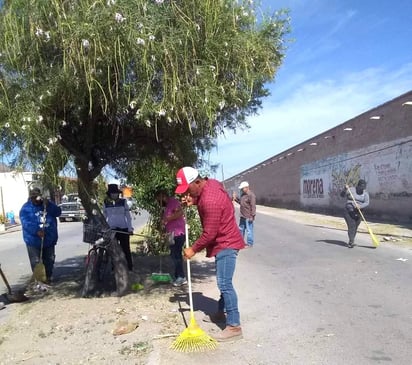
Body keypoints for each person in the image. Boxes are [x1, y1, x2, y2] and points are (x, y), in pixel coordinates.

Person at [175, 166, 245, 342]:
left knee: (224, 284)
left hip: (226, 243)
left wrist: (192, 249)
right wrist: (194, 201)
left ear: (197, 182)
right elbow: (211, 201)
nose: (187, 193)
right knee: (224, 282)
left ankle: (234, 326)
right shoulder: (211, 184)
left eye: (188, 189)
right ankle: (220, 313)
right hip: (225, 240)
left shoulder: (209, 201)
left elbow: (209, 234)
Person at [19, 187, 62, 284]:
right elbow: (26, 223)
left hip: (49, 239)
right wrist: (36, 231)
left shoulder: (47, 205)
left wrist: (49, 205)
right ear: (31, 198)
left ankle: (48, 277)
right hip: (33, 241)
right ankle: (39, 281)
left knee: (49, 260)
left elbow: (58, 212)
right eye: (33, 198)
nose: (36, 200)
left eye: (37, 197)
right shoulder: (26, 208)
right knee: (36, 261)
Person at [156, 190, 187, 287]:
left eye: (159, 198)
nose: (158, 201)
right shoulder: (167, 206)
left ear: (163, 196)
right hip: (171, 234)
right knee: (174, 255)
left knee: (176, 255)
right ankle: (179, 276)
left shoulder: (173, 202)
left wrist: (167, 219)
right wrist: (164, 229)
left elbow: (180, 213)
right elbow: (166, 222)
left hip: (178, 233)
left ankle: (181, 277)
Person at [103, 184, 134, 271]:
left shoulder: (123, 202)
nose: (114, 195)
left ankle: (129, 267)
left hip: (123, 229)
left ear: (118, 193)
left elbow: (128, 216)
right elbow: (104, 216)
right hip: (112, 229)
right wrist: (103, 228)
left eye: (115, 193)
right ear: (109, 194)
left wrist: (130, 228)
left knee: (126, 249)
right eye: (112, 193)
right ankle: (114, 268)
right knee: (113, 250)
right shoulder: (106, 203)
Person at [340, 179, 370, 248]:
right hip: (349, 210)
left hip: (359, 211)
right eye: (361, 187)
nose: (362, 189)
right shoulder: (351, 190)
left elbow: (367, 202)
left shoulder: (365, 193)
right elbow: (342, 195)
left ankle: (352, 240)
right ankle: (351, 241)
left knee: (355, 226)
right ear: (358, 186)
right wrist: (344, 189)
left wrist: (360, 206)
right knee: (352, 225)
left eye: (364, 188)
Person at [232, 181, 256, 247]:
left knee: (249, 230)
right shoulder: (243, 195)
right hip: (242, 215)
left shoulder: (251, 195)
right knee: (241, 229)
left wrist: (252, 216)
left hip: (248, 216)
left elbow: (253, 206)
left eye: (242, 188)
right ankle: (240, 242)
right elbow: (241, 202)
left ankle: (250, 243)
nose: (241, 190)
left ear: (247, 187)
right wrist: (236, 198)